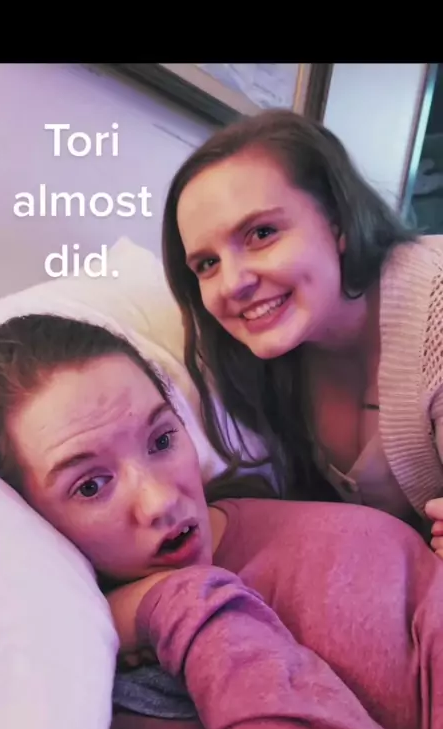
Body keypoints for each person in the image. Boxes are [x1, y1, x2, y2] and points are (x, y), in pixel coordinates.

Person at [0, 314, 442, 729]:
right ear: (24, 517)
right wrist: (188, 606)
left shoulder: (364, 550)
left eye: (162, 440)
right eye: (91, 485)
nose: (161, 500)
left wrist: (182, 600)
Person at [161, 108, 443, 555]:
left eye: (261, 233)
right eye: (207, 263)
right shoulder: (250, 361)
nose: (232, 284)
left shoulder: (436, 311)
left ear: (338, 221)